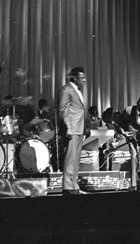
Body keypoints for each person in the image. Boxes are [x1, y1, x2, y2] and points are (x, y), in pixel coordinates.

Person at [58, 66, 88, 196]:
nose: (84, 80)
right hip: (72, 128)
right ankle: (68, 187)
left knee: (76, 159)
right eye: (82, 78)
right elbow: (62, 110)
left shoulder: (77, 90)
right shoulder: (67, 89)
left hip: (79, 128)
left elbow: (79, 110)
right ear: (75, 78)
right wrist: (68, 129)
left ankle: (74, 185)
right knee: (70, 158)